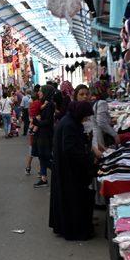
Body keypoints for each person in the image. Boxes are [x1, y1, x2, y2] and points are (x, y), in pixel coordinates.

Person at [49, 101, 96, 241]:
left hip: (65, 168)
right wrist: (88, 157)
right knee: (74, 201)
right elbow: (69, 149)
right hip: (69, 170)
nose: (86, 119)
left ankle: (66, 228)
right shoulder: (70, 124)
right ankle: (76, 231)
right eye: (85, 117)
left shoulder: (68, 121)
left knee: (68, 201)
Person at [33, 85, 56, 188]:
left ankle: (58, 171)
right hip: (41, 133)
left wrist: (37, 122)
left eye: (41, 91)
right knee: (42, 157)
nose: (39, 93)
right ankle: (43, 178)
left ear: (46, 92)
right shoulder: (43, 103)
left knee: (45, 156)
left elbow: (48, 121)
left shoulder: (49, 104)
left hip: (46, 134)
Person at [91, 81, 119, 154]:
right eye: (109, 89)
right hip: (98, 135)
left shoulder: (94, 101)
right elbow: (101, 122)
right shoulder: (101, 102)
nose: (110, 91)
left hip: (94, 134)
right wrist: (115, 135)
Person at [25, 89, 43, 175]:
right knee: (40, 152)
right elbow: (41, 109)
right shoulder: (38, 103)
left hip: (31, 127)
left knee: (31, 151)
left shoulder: (31, 105)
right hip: (37, 128)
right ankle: (40, 170)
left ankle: (28, 167)